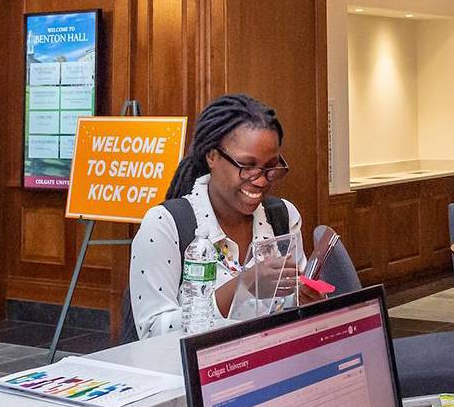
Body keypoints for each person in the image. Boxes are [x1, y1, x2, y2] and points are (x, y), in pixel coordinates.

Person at [130, 94, 320, 339]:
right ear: (212, 156)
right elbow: (153, 332)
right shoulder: (165, 225)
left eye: (270, 167)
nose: (261, 180)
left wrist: (310, 305)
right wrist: (243, 286)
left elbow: (292, 308)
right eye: (246, 166)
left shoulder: (283, 218)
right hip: (192, 375)